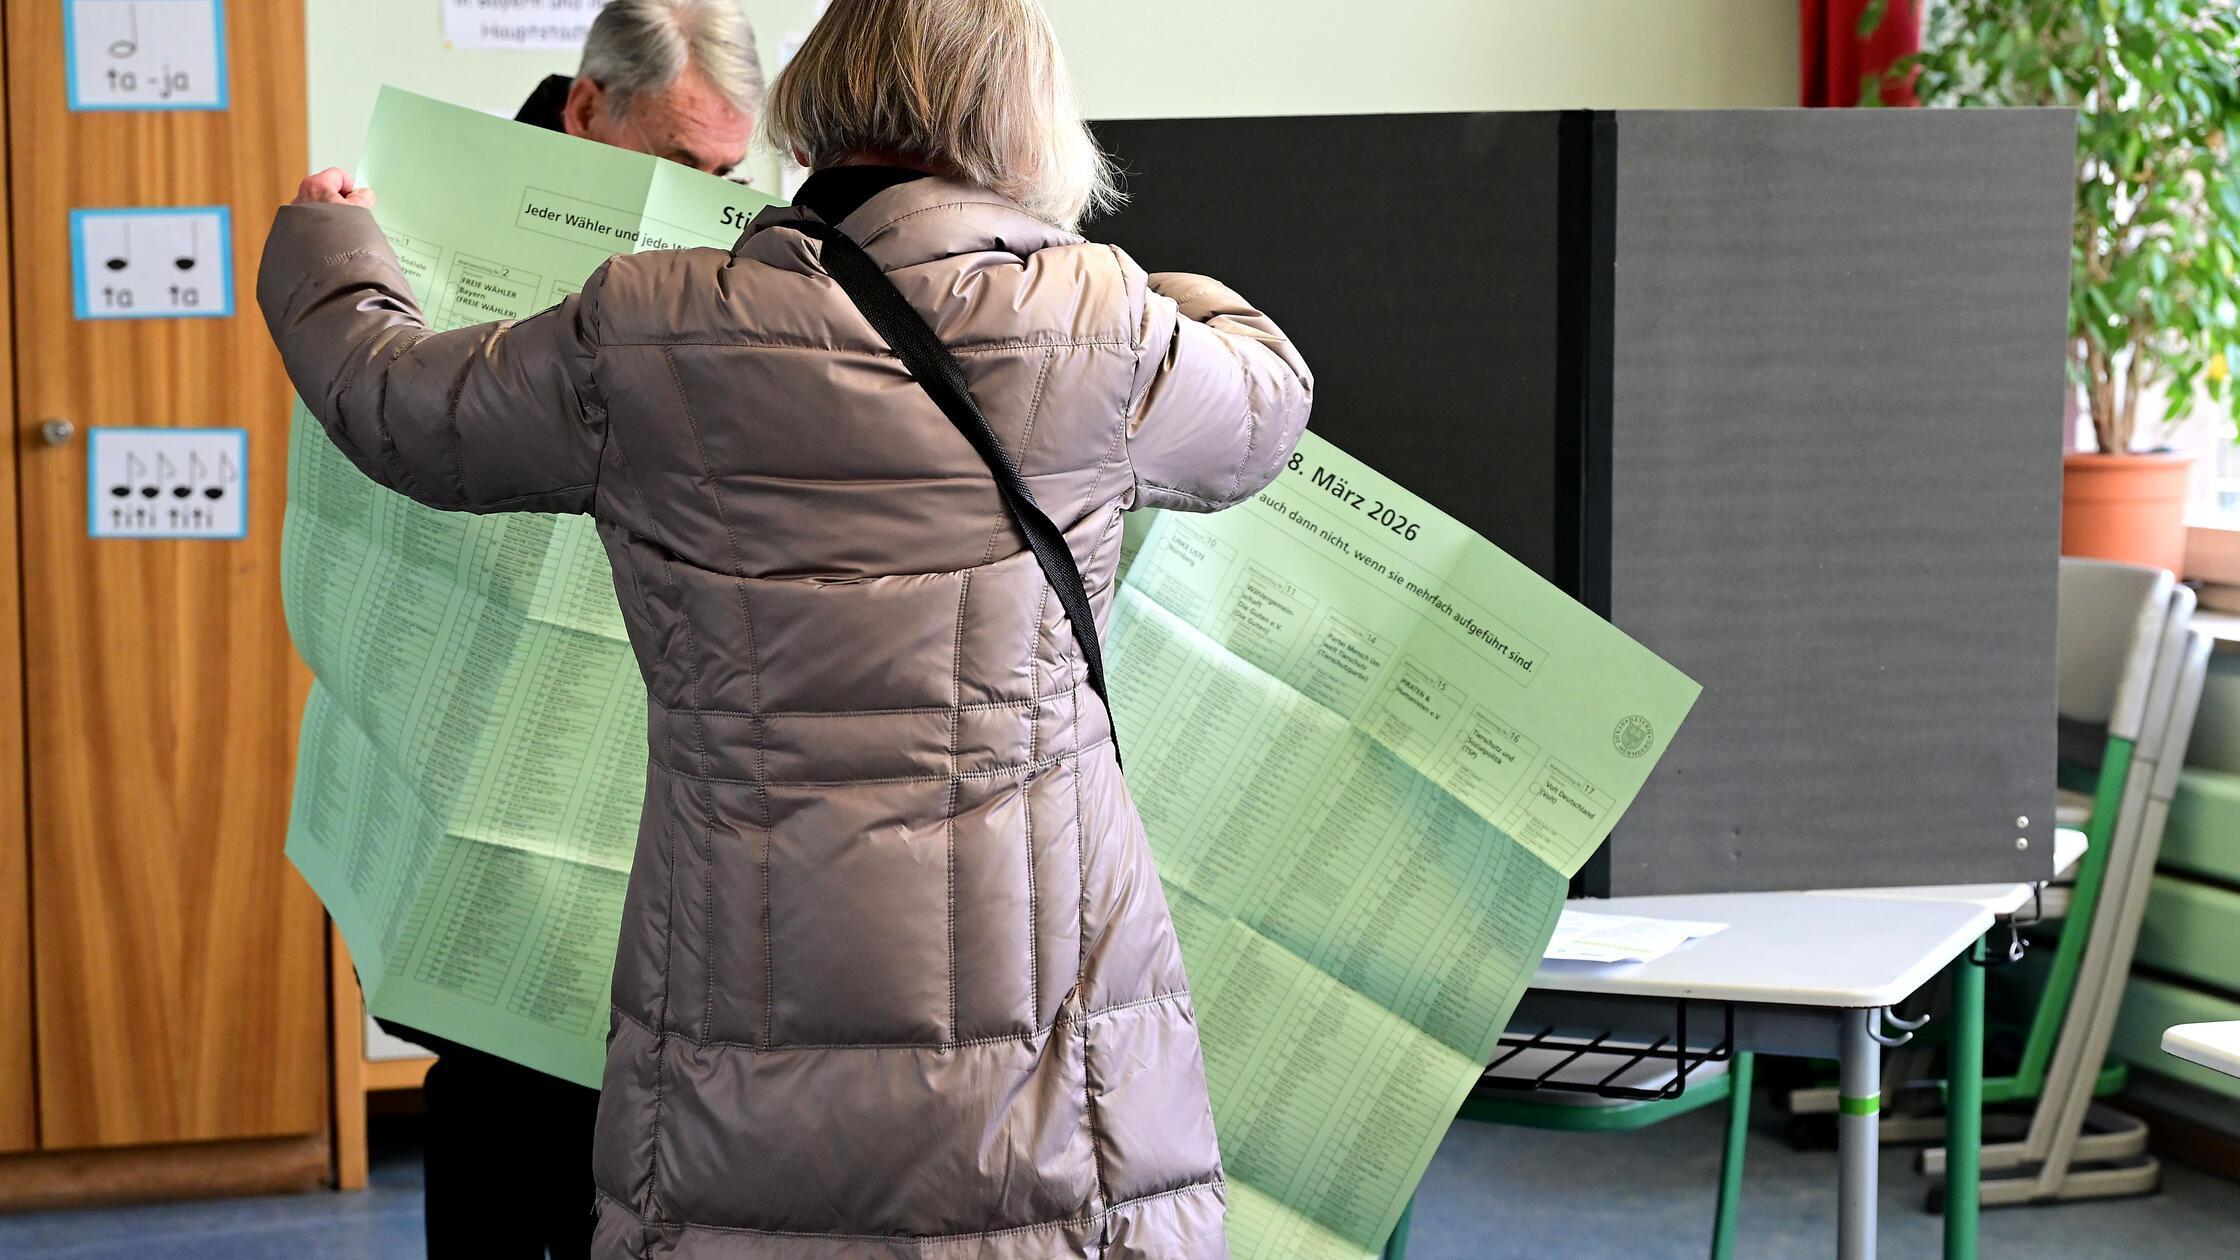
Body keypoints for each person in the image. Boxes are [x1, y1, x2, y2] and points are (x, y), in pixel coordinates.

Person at [260, 0, 1311, 1255]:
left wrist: (333, 241)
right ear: (1024, 114)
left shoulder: (650, 321)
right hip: (1037, 979)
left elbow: (398, 408)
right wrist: (1189, 295)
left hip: (738, 952)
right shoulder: (1101, 322)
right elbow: (1265, 402)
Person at [374, 3, 764, 1257]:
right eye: (673, 168)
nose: (699, 203)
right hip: (480, 704)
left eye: (723, 178)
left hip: (641, 722)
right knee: (494, 1080)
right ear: (587, 108)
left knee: (635, 1100)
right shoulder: (441, 209)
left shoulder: (731, 257)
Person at [514, 0, 761, 178]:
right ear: (585, 112)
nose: (705, 208)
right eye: (679, 168)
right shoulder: (479, 215)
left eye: (724, 173)